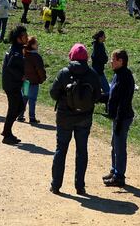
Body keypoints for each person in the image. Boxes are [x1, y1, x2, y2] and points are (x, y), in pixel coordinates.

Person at [49, 43, 102, 194]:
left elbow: (53, 93)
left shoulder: (64, 73)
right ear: (86, 58)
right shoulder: (92, 74)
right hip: (84, 118)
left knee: (61, 150)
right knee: (81, 151)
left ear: (71, 56)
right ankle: (80, 186)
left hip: (64, 117)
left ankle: (56, 185)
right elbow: (97, 96)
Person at [104, 49, 135, 187]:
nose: (111, 61)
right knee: (114, 145)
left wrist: (119, 121)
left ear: (121, 61)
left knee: (120, 147)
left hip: (123, 117)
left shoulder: (125, 77)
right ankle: (114, 170)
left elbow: (123, 102)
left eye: (113, 59)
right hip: (117, 117)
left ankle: (119, 176)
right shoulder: (118, 74)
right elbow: (112, 95)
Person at [1, 25, 28, 144]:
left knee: (19, 106)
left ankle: (6, 131)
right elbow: (10, 66)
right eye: (24, 36)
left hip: (12, 83)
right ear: (18, 38)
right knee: (15, 108)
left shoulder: (17, 48)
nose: (27, 37)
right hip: (11, 84)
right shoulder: (16, 51)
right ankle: (7, 134)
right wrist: (21, 76)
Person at [19, 36, 46, 124]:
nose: (37, 45)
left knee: (24, 98)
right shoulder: (36, 57)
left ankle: (20, 115)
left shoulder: (24, 54)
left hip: (25, 81)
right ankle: (32, 117)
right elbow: (40, 69)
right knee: (32, 100)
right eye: (36, 43)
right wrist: (42, 79)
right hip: (34, 82)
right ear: (32, 45)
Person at [91, 30, 110, 100]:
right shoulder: (97, 47)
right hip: (98, 72)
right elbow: (96, 57)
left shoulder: (100, 45)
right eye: (104, 36)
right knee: (108, 91)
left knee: (96, 88)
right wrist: (105, 59)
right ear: (100, 38)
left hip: (97, 70)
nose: (105, 37)